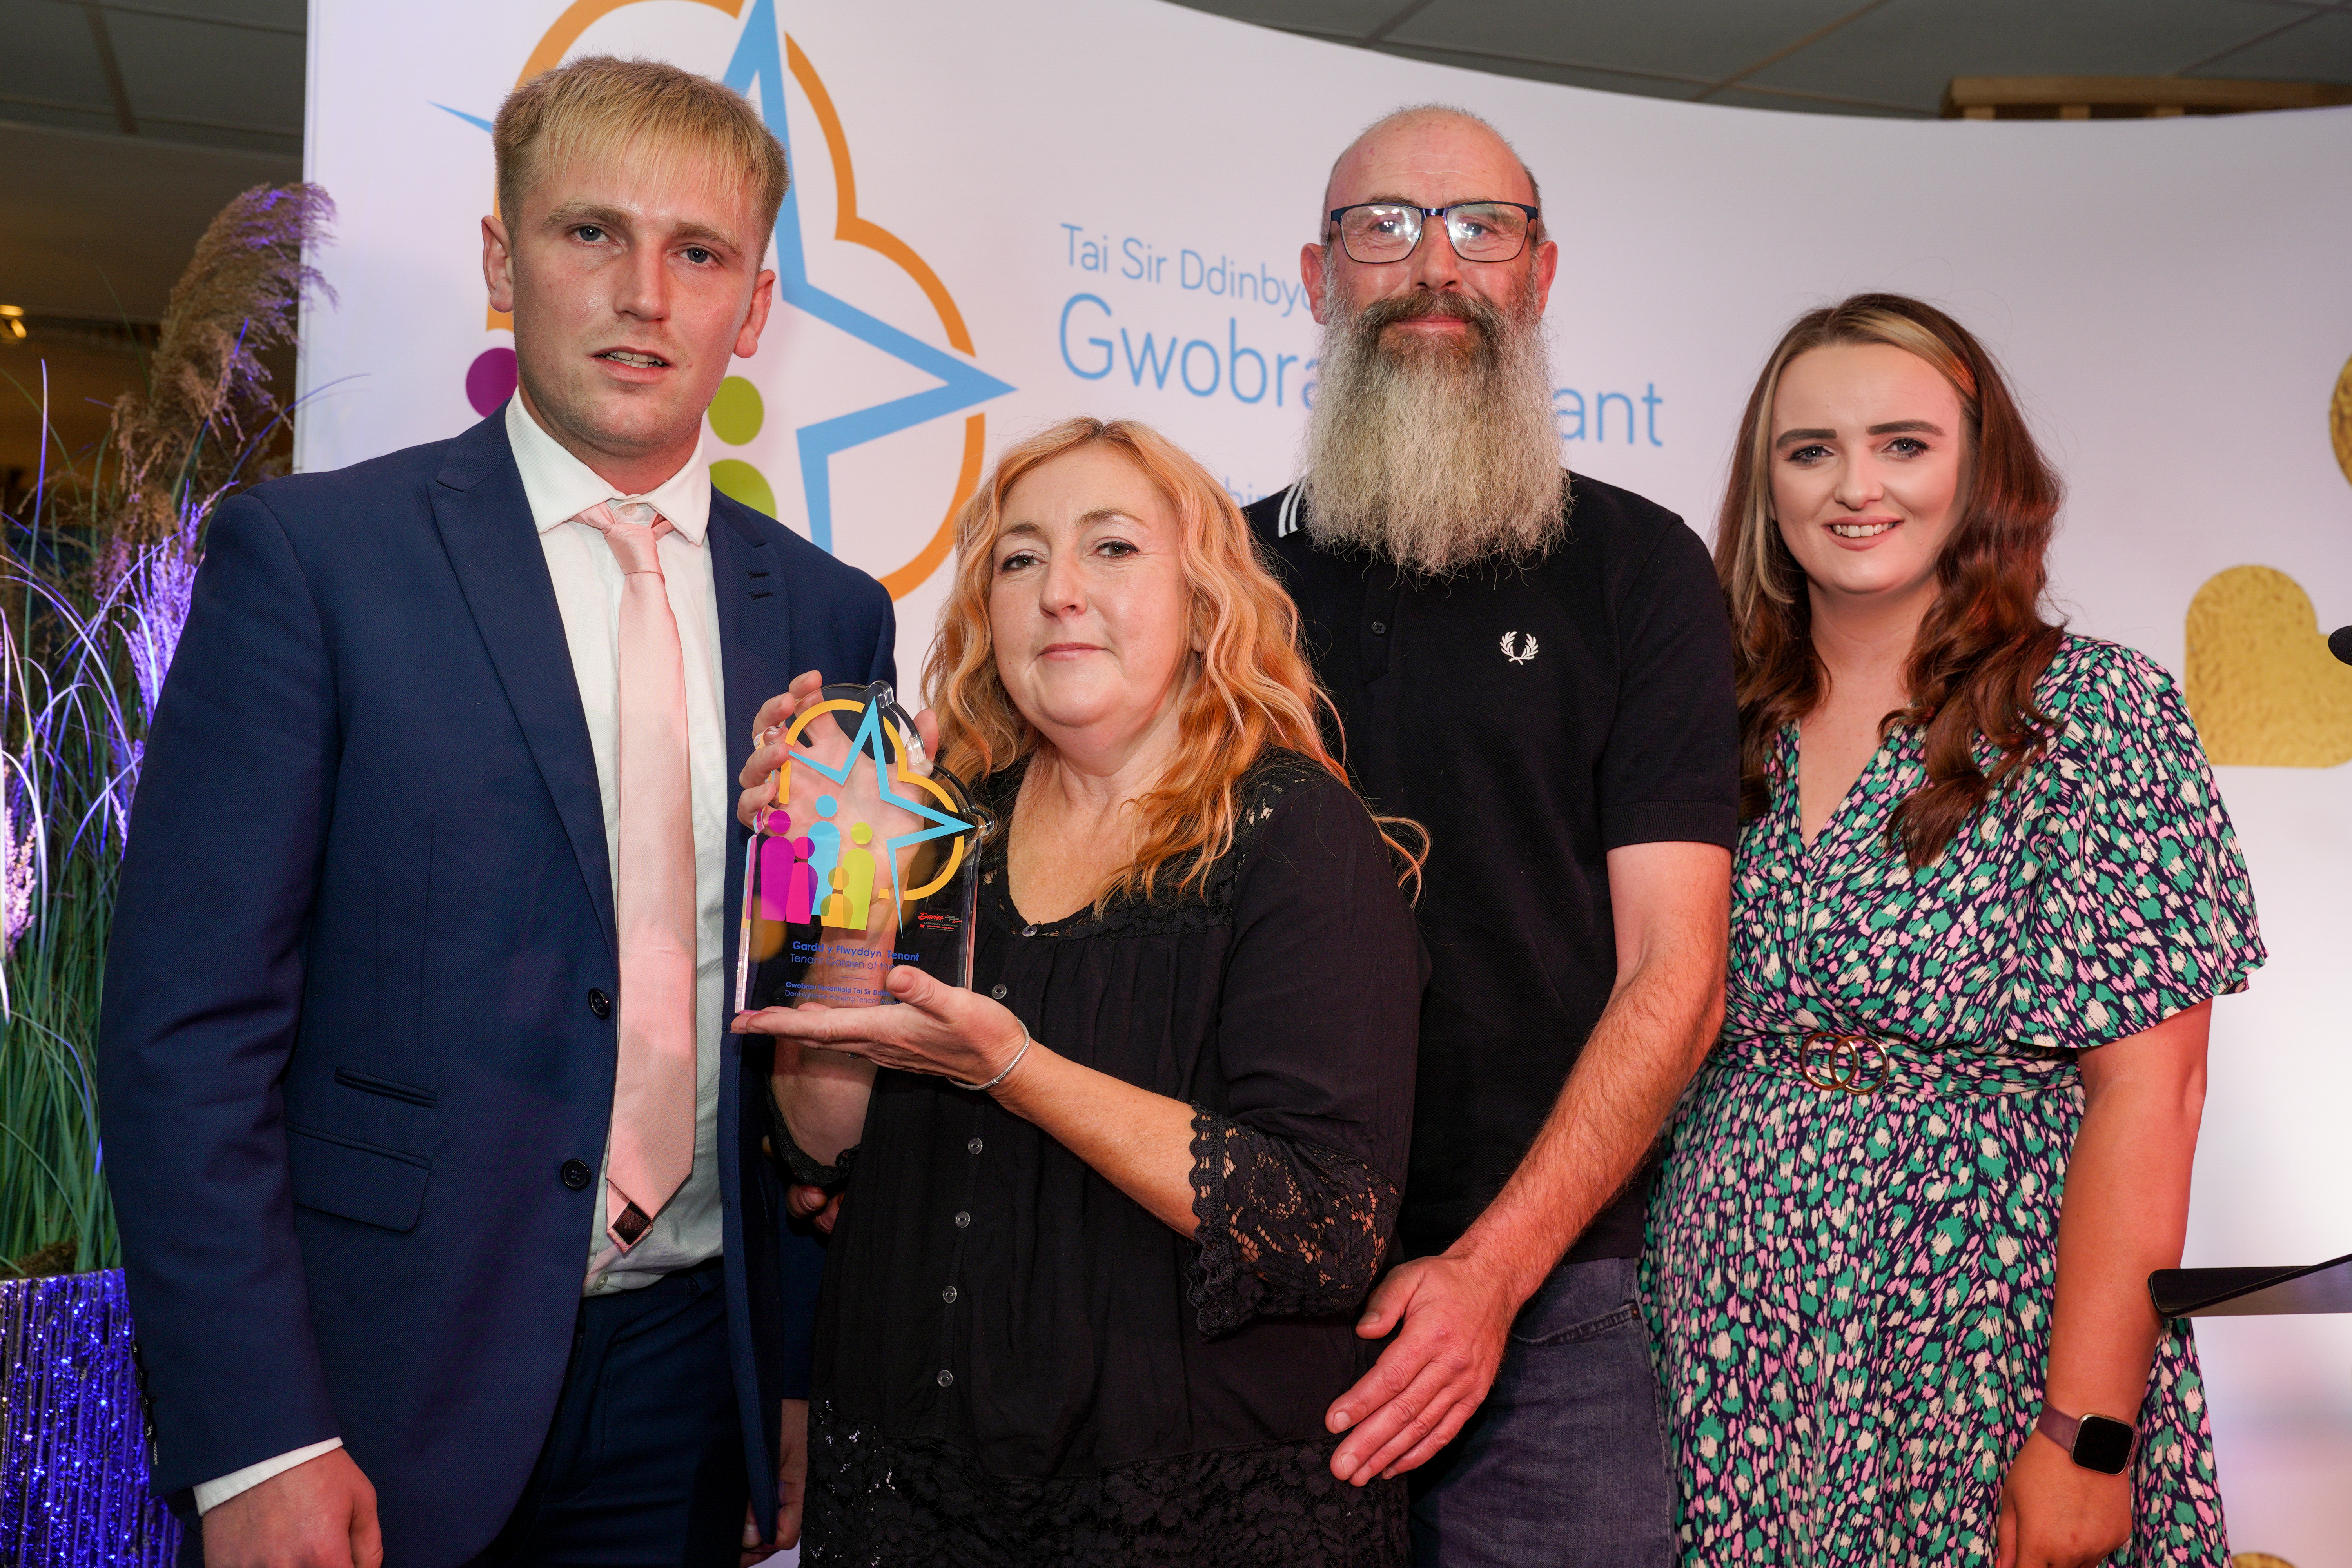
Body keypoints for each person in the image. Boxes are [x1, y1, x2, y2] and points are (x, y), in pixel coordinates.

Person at [96, 56, 892, 1567]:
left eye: (699, 254)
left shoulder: (835, 623)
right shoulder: (313, 563)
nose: (647, 295)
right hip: (372, 1392)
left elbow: (814, 1016)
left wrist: (792, 1377)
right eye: (593, 233)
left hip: (692, 1392)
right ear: (500, 261)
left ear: (756, 309)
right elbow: (184, 1037)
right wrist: (256, 1439)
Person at [731, 417, 1427, 1566]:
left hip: (1185, 1514)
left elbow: (1324, 1226)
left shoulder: (1297, 830)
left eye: (1112, 549)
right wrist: (827, 891)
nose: (1059, 591)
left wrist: (1017, 1071)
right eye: (1019, 558)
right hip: (911, 1495)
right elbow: (827, 1141)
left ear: (1204, 599)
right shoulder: (946, 832)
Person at [1641, 293, 2260, 1568]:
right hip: (1719, 1345)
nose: (1855, 486)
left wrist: (2087, 1431)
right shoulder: (1701, 722)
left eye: (1904, 444)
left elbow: (2158, 1097)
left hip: (1990, 1342)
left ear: (1983, 471)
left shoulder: (2090, 715)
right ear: (1766, 484)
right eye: (1810, 450)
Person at [1243, 105, 1739, 1567]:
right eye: (1382, 227)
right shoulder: (1220, 575)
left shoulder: (1641, 570)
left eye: (1482, 229)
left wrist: (1490, 1274)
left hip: (1563, 1313)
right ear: (1317, 276)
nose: (1435, 268)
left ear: (1541, 273)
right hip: (1255, 1308)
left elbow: (1677, 973)